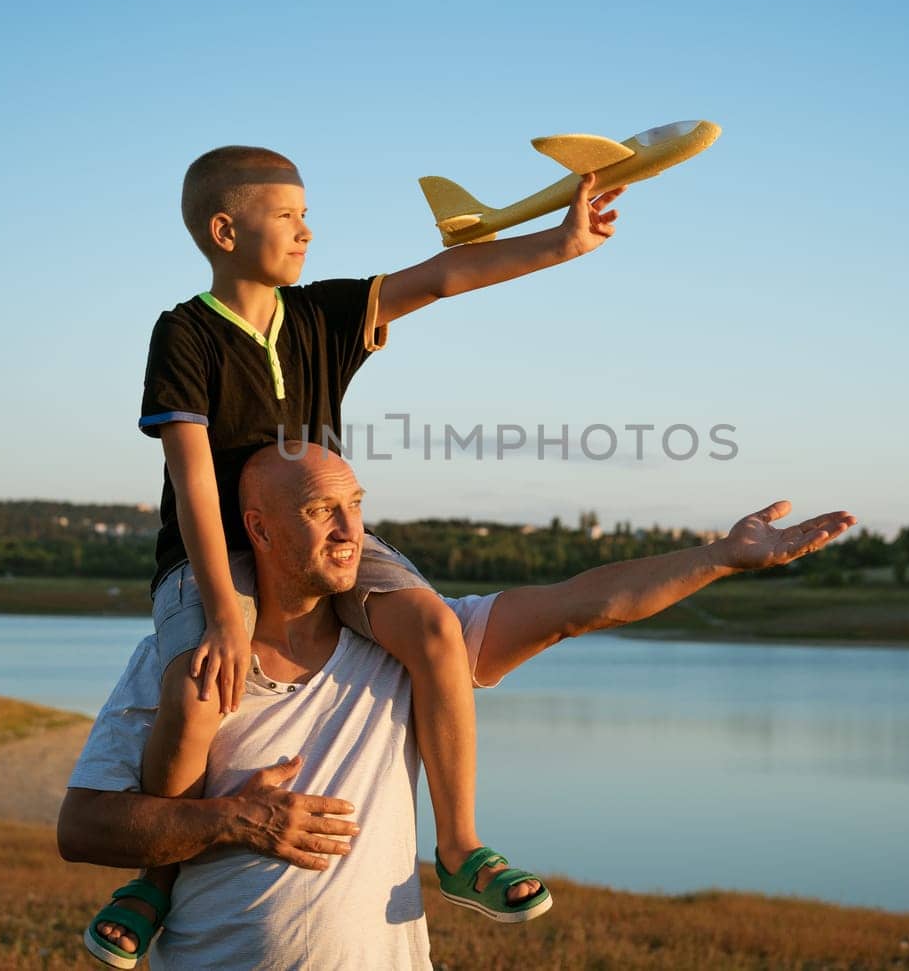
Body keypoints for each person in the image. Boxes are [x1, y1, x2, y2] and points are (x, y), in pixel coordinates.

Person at [85, 145, 628, 967]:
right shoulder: (185, 332)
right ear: (225, 230)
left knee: (435, 631)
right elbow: (193, 478)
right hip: (216, 556)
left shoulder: (318, 315)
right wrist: (226, 614)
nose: (308, 230)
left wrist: (561, 243)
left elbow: (442, 277)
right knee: (196, 685)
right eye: (289, 216)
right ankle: (154, 879)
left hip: (329, 541)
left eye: (307, 215)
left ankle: (460, 850)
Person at [60, 443, 856, 969]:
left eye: (356, 506)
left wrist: (721, 556)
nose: (350, 531)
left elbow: (585, 603)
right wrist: (232, 819)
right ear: (258, 530)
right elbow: (83, 826)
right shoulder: (182, 665)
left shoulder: (404, 648)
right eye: (318, 511)